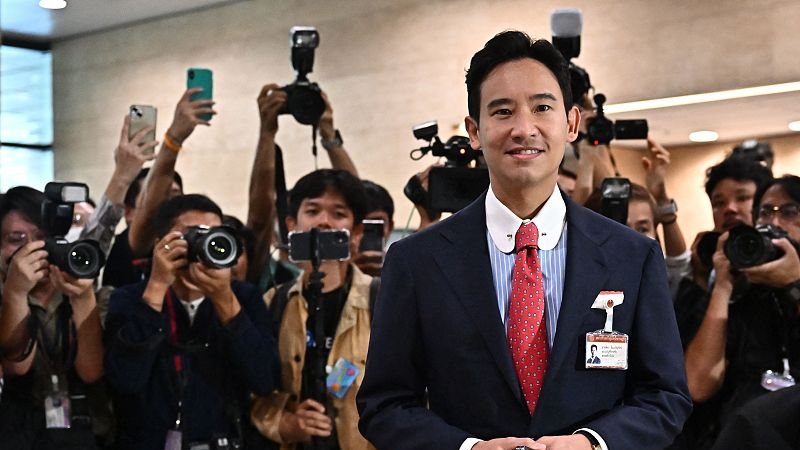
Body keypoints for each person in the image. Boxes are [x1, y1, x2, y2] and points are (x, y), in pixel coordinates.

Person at [357, 31, 690, 450]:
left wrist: (592, 444)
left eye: (542, 108)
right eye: (502, 111)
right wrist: (469, 449)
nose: (523, 128)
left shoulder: (631, 254)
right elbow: (384, 406)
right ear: (475, 131)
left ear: (570, 123)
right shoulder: (416, 260)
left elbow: (664, 396)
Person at [104, 194, 279, 450]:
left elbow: (264, 380)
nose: (203, 243)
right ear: (160, 244)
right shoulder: (129, 298)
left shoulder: (244, 297)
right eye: (192, 235)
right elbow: (125, 381)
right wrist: (156, 287)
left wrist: (224, 299)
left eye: (214, 234)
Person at [251, 169, 377, 450]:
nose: (324, 222)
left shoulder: (383, 299)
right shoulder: (273, 302)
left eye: (338, 213)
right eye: (313, 210)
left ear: (356, 233)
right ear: (292, 225)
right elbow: (254, 393)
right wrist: (285, 424)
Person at [679, 175, 800, 449]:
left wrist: (793, 284)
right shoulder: (740, 292)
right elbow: (698, 385)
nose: (775, 223)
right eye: (766, 212)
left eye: (790, 212)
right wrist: (723, 285)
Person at [0, 186, 106, 450]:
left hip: (80, 432)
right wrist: (15, 292)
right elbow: (17, 365)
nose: (31, 248)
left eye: (40, 237)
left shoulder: (80, 292)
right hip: (16, 433)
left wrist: (82, 298)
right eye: (16, 238)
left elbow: (92, 371)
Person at [353, 179, 394, 277]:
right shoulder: (329, 269)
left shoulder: (403, 266)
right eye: (358, 224)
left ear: (390, 227)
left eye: (376, 225)